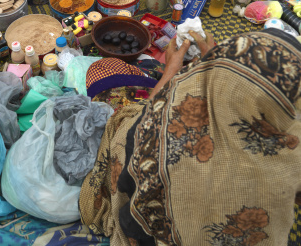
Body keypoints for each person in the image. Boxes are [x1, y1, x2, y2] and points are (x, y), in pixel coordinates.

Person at [79, 29, 301, 245]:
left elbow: (144, 126)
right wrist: (215, 68)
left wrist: (172, 72)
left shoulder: (160, 137)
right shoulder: (292, 146)